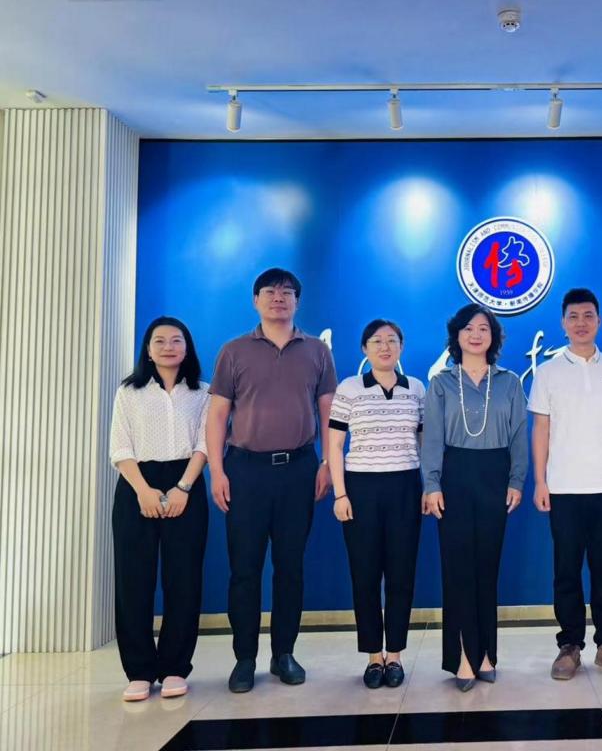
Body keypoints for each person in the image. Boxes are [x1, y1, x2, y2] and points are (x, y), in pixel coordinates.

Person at [207, 268, 338, 693]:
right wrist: (217, 471)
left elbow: (329, 413)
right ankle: (244, 658)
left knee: (290, 568)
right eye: (270, 292)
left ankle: (284, 653)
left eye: (286, 292)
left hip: (299, 469)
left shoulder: (317, 351)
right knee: (244, 569)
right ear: (256, 300)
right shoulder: (234, 351)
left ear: (297, 301)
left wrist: (326, 464)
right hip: (245, 471)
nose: (278, 298)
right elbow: (217, 415)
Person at [529, 288, 602, 681]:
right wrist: (540, 480)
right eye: (573, 316)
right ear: (563, 323)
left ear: (599, 321)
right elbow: (541, 429)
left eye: (588, 315)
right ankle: (570, 646)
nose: (581, 323)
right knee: (566, 570)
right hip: (563, 488)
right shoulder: (548, 372)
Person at [422, 303, 528, 691]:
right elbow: (432, 438)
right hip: (454, 474)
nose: (476, 334)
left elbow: (519, 436)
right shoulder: (441, 384)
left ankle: (486, 653)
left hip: (495, 475)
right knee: (458, 570)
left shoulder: (510, 382)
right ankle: (463, 657)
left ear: (493, 336)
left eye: (484, 328)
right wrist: (432, 484)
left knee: (487, 568)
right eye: (468, 328)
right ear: (457, 335)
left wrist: (517, 480)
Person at [108, 316, 209, 701]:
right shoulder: (129, 392)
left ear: (187, 348)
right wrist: (144, 491)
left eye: (176, 340)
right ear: (148, 350)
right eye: (160, 341)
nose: (168, 347)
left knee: (184, 580)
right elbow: (120, 447)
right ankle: (138, 671)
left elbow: (204, 444)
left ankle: (174, 668)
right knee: (133, 580)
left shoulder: (203, 392)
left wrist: (183, 488)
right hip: (137, 484)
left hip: (186, 482)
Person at [327, 319, 426, 689]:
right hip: (361, 488)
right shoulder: (350, 388)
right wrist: (340, 494)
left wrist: (427, 487)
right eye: (376, 341)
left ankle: (395, 654)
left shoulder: (416, 388)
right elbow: (335, 445)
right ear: (364, 349)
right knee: (365, 575)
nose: (385, 347)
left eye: (392, 341)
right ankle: (373, 656)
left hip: (405, 486)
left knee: (402, 574)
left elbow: (424, 441)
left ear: (401, 347)